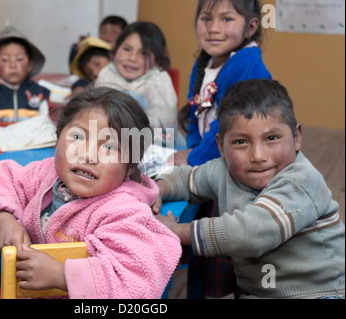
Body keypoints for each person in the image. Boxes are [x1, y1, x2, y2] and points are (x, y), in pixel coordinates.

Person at [0, 86, 182, 299]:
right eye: (78, 137)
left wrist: (61, 276)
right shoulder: (47, 173)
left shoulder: (125, 212)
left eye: (110, 147)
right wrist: (4, 221)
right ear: (58, 137)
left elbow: (135, 282)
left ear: (130, 166)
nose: (88, 155)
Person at [152, 79, 345, 299]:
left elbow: (251, 233)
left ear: (296, 137)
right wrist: (159, 189)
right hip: (259, 292)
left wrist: (178, 231)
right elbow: (187, 178)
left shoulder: (301, 180)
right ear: (220, 146)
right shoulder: (223, 170)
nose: (258, 156)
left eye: (272, 138)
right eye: (241, 142)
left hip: (319, 292)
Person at [173, 0, 272, 298]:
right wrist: (192, 154)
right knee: (203, 251)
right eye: (206, 18)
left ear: (251, 26)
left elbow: (227, 126)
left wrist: (191, 158)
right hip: (211, 167)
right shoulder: (205, 63)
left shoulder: (247, 63)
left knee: (226, 249)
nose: (213, 28)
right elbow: (195, 116)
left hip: (238, 177)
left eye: (226, 18)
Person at [95, 21, 180, 145]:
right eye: (127, 49)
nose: (132, 58)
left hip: (149, 145)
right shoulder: (107, 72)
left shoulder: (158, 80)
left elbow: (164, 129)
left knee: (129, 98)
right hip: (107, 140)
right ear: (116, 49)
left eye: (144, 53)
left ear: (157, 59)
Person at [0, 26, 50, 123]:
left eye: (19, 59)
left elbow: (45, 125)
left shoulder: (38, 93)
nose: (12, 65)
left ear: (29, 65)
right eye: (5, 60)